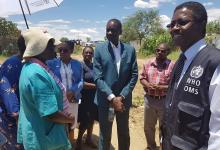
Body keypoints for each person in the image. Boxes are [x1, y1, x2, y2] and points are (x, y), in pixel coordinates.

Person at [162, 1, 220, 149]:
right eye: (172, 24)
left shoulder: (214, 63)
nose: (175, 28)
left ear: (202, 24)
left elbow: (218, 128)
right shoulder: (180, 61)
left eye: (182, 22)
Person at [17, 28, 74, 150]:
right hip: (44, 139)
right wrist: (69, 119)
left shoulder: (31, 67)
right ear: (39, 48)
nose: (54, 49)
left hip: (40, 134)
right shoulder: (36, 73)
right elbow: (50, 113)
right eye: (49, 46)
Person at [93, 18, 138, 150]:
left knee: (124, 133)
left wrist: (121, 96)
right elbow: (98, 77)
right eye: (107, 30)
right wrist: (112, 97)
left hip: (123, 102)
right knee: (104, 134)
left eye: (113, 30)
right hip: (105, 101)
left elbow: (134, 75)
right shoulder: (100, 49)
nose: (109, 33)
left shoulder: (130, 50)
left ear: (120, 32)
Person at [47, 40, 83, 143]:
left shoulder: (77, 64)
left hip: (73, 99)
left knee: (71, 124)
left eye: (65, 50)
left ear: (71, 51)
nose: (62, 52)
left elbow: (80, 81)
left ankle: (70, 145)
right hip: (58, 100)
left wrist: (72, 91)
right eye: (60, 50)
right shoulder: (52, 63)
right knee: (59, 123)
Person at [140, 43, 174, 150]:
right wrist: (147, 84)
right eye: (158, 50)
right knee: (148, 127)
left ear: (168, 52)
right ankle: (151, 146)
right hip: (149, 100)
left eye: (163, 51)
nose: (159, 52)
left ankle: (163, 147)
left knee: (163, 127)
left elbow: (176, 85)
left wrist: (162, 88)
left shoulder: (173, 65)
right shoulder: (148, 63)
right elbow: (142, 78)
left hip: (164, 100)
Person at [0, 35, 26, 149]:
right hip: (12, 121)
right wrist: (19, 119)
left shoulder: (27, 64)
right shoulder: (12, 64)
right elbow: (8, 93)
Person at [76, 46, 98, 150]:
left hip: (94, 97)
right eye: (86, 52)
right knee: (85, 120)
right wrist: (96, 86)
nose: (88, 54)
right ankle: (79, 141)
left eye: (90, 53)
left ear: (93, 54)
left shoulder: (94, 66)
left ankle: (89, 139)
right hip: (84, 97)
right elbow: (81, 83)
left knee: (92, 118)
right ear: (82, 54)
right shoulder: (80, 66)